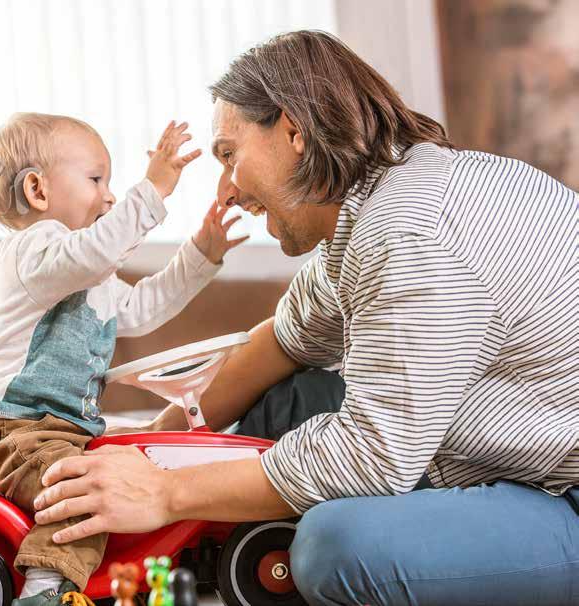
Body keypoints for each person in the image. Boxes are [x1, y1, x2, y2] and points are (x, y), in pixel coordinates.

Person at [32, 31, 579, 605]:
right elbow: (284, 342)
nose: (227, 189)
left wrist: (165, 493)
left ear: (294, 131)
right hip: (490, 446)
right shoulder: (374, 203)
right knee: (286, 396)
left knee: (334, 548)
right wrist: (149, 443)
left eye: (228, 154)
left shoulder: (412, 235)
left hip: (561, 492)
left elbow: (372, 454)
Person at [0, 113, 247, 606]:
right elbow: (93, 253)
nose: (109, 196)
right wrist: (150, 191)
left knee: (122, 468)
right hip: (6, 432)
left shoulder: (93, 278)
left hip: (57, 434)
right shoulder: (34, 252)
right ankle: (46, 590)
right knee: (88, 492)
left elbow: (145, 307)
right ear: (38, 191)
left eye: (110, 183)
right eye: (95, 180)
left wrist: (201, 254)